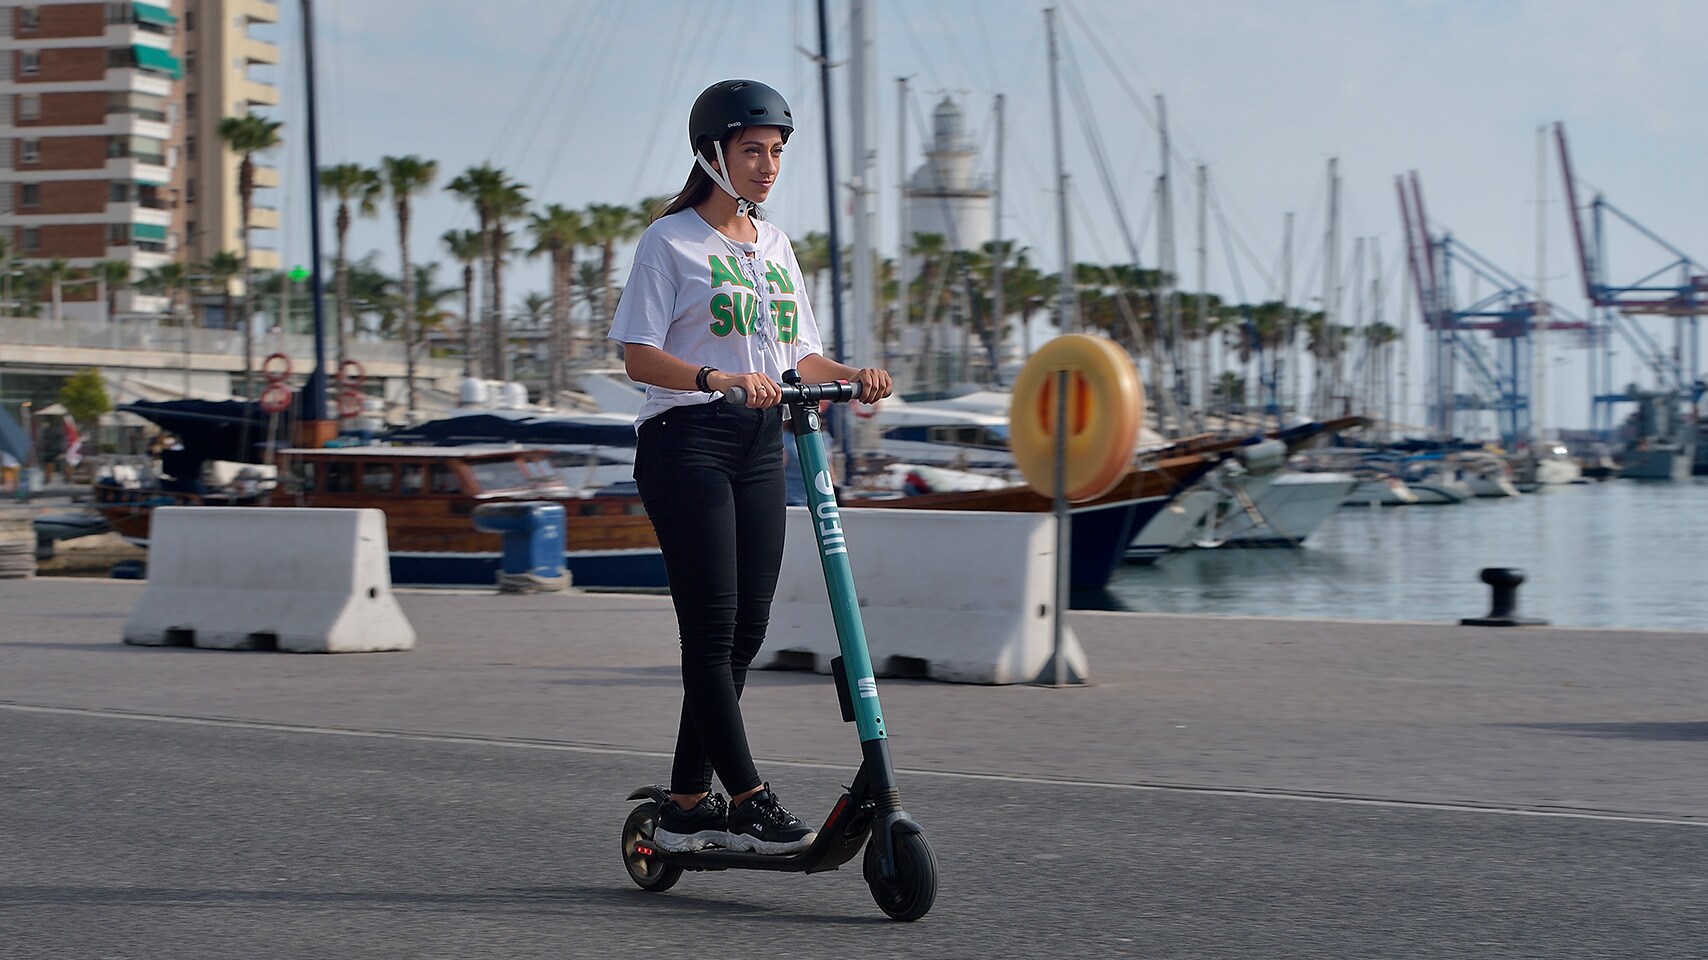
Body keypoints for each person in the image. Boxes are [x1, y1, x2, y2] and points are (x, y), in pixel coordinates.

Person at [608, 79, 893, 856]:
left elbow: (798, 355)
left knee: (747, 629)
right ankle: (749, 798)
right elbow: (637, 354)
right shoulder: (669, 243)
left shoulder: (773, 245)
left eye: (775, 153)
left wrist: (854, 372)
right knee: (710, 628)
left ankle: (687, 797)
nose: (768, 166)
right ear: (714, 154)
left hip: (762, 444)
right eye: (752, 152)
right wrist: (714, 379)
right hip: (686, 441)